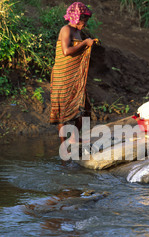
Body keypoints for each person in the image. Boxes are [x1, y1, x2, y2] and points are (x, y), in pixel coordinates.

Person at [49, 2, 96, 144]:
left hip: (74, 77)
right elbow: (66, 51)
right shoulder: (66, 29)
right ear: (77, 18)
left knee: (85, 109)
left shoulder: (77, 32)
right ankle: (65, 146)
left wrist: (89, 44)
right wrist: (84, 44)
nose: (85, 24)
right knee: (63, 113)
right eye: (84, 20)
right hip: (62, 76)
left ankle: (74, 138)